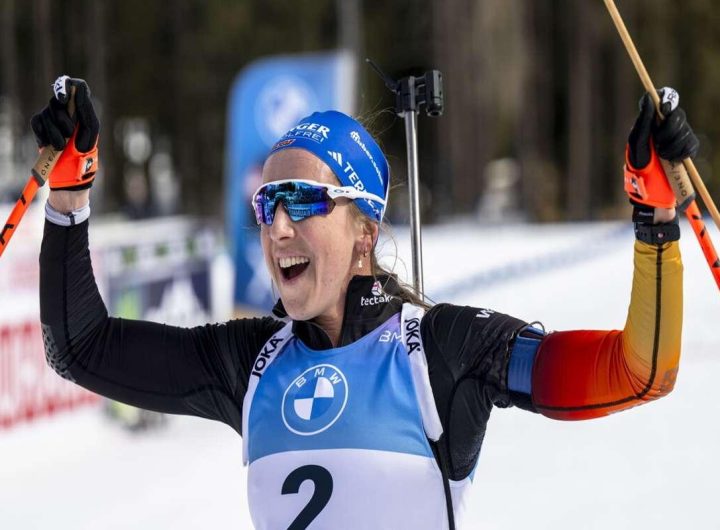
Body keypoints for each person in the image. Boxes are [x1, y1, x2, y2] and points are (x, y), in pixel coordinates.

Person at [37, 75, 694, 529]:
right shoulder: (249, 364)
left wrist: (656, 222)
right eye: (267, 204)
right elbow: (80, 347)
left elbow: (634, 371)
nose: (278, 227)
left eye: (300, 200)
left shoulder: (440, 352)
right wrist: (69, 199)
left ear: (365, 233)